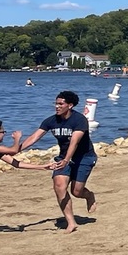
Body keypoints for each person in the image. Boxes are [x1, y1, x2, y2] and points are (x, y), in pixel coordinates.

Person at [14, 90, 97, 233]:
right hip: (64, 156)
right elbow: (34, 138)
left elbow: (74, 143)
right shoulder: (51, 121)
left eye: (60, 104)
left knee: (77, 191)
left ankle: (89, 195)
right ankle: (71, 223)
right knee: (59, 185)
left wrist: (67, 159)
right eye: (56, 103)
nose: (57, 106)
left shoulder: (79, 120)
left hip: (84, 157)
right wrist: (16, 149)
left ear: (70, 105)